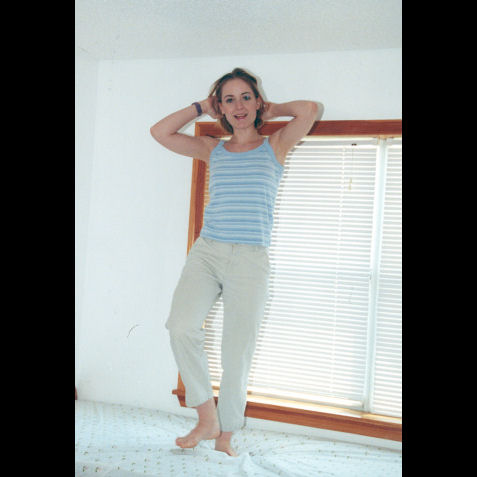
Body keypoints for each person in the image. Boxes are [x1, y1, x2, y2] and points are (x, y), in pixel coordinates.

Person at [150, 67, 320, 456]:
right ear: (221, 108)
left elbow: (310, 109)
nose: (239, 105)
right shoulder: (212, 149)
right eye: (229, 99)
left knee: (236, 351)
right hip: (208, 252)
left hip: (250, 259)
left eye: (246, 97)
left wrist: (274, 108)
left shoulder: (275, 144)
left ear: (257, 102)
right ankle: (206, 418)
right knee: (180, 327)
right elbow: (159, 132)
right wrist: (199, 107)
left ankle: (225, 433)